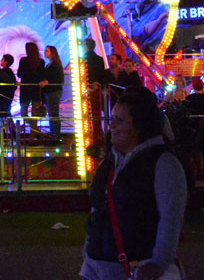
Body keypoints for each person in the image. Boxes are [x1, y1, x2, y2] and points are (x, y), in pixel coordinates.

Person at [81, 87, 187, 280]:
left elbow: (171, 218)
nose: (111, 126)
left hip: (139, 267)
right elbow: (98, 210)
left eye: (119, 120)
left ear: (139, 125)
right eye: (111, 120)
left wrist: (158, 262)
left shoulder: (163, 164)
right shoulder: (109, 164)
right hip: (96, 265)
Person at [17, 42, 45, 133]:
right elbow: (41, 75)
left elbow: (19, 74)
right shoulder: (41, 61)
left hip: (25, 90)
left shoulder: (23, 61)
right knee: (35, 114)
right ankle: (35, 132)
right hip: (36, 90)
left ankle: (34, 132)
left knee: (23, 113)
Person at [42, 45, 65, 140]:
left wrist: (48, 82)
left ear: (52, 53)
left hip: (54, 91)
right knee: (51, 113)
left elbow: (59, 79)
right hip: (50, 91)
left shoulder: (55, 65)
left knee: (54, 113)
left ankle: (56, 134)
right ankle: (53, 133)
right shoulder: (49, 64)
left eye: (47, 51)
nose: (45, 52)